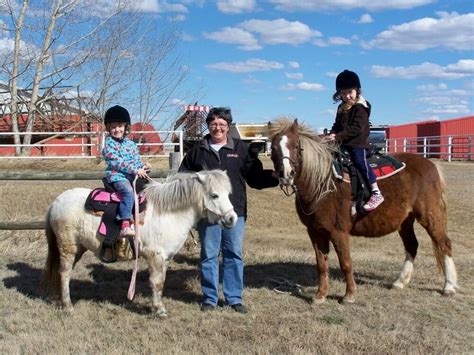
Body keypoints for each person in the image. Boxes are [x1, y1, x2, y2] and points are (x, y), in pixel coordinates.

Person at [179, 107, 278, 314]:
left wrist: (275, 177)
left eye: (222, 124)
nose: (218, 128)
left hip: (235, 211)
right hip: (209, 213)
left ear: (228, 126)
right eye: (214, 124)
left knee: (234, 254)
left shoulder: (240, 149)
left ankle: (234, 298)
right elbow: (184, 178)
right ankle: (210, 298)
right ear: (208, 125)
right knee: (209, 255)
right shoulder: (197, 151)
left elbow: (255, 177)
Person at [326, 70, 384, 212]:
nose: (347, 96)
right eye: (343, 93)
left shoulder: (360, 107)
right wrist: (332, 133)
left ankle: (376, 192)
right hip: (343, 142)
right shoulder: (341, 107)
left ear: (357, 90)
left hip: (357, 143)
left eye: (350, 92)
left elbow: (357, 128)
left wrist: (338, 137)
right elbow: (337, 125)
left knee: (359, 162)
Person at [102, 105, 149, 237]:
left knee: (148, 191)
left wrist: (143, 167)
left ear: (125, 127)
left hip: (132, 176)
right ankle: (125, 224)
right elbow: (116, 162)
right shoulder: (109, 144)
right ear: (109, 128)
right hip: (117, 176)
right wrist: (135, 169)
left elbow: (136, 160)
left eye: (120, 126)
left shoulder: (131, 144)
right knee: (128, 192)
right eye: (113, 127)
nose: (117, 129)